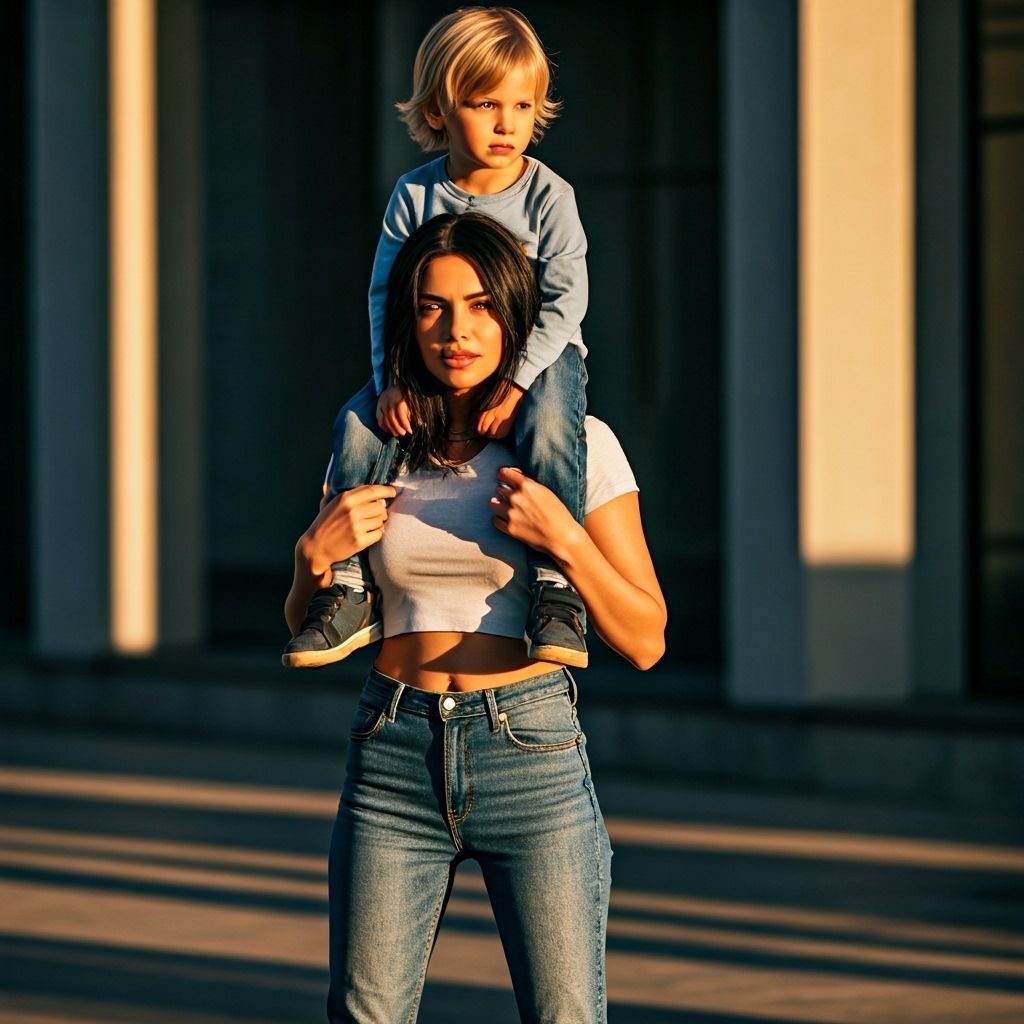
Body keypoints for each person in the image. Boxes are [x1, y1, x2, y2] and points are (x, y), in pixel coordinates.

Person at [284, 212, 666, 1023]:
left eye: (482, 306)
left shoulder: (578, 448)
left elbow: (644, 638)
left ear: (520, 316)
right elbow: (303, 621)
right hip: (391, 753)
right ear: (406, 319)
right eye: (431, 306)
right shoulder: (373, 444)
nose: (455, 330)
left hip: (530, 755)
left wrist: (564, 536)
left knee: (566, 1016)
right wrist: (311, 556)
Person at [283, 6, 595, 670]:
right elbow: (386, 296)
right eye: (485, 103)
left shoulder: (549, 195)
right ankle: (350, 588)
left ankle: (557, 591)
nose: (507, 123)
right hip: (427, 359)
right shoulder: (415, 194)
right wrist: (390, 376)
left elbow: (569, 300)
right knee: (360, 422)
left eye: (521, 104)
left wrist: (517, 381)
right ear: (439, 111)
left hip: (541, 353)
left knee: (552, 427)